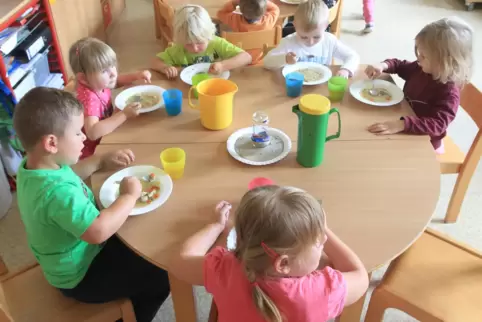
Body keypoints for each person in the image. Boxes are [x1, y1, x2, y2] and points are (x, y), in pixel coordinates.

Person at [13, 87, 170, 322]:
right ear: (52, 143)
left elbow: (70, 173)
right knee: (161, 274)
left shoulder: (36, 167)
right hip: (81, 275)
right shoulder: (57, 193)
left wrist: (99, 161)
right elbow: (98, 231)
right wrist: (128, 196)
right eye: (77, 133)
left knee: (143, 236)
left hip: (75, 257)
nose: (84, 137)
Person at [170, 185, 369, 322]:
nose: (323, 241)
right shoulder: (316, 291)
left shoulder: (224, 268)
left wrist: (215, 226)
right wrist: (325, 229)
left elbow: (181, 261)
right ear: (283, 264)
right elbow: (359, 276)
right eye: (318, 243)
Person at [365, 17, 473, 154]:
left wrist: (402, 124)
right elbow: (400, 65)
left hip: (426, 141)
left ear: (445, 61)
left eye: (423, 56)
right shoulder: (422, 68)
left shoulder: (449, 92)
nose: (418, 59)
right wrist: (383, 65)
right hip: (405, 122)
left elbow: (438, 125)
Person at [69, 37, 152, 159]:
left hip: (109, 133)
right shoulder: (89, 99)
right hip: (96, 152)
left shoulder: (97, 83)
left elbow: (116, 81)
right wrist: (124, 114)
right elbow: (92, 132)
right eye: (104, 71)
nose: (113, 73)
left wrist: (136, 75)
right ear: (83, 79)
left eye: (112, 65)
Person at [151, 5, 252, 79]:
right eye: (189, 44)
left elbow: (246, 57)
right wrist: (165, 68)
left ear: (208, 35)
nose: (195, 48)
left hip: (214, 87)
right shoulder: (178, 48)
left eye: (199, 42)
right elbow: (155, 62)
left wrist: (222, 65)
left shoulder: (216, 43)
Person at [264, 0, 359, 78]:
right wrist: (284, 59)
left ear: (326, 26)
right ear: (295, 26)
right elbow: (267, 62)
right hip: (296, 88)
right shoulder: (289, 42)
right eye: (304, 37)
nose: (310, 42)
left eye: (317, 37)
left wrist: (346, 69)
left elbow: (353, 56)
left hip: (321, 88)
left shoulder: (329, 41)